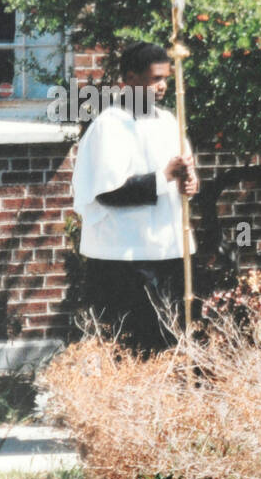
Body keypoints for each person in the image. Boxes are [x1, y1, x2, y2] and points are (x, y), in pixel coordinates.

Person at [71, 41, 198, 354]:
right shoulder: (109, 127)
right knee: (137, 349)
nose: (163, 86)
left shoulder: (169, 122)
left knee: (171, 345)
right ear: (128, 79)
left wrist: (189, 183)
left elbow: (180, 179)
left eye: (166, 78)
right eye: (155, 79)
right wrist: (164, 176)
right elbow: (108, 193)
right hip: (126, 259)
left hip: (167, 252)